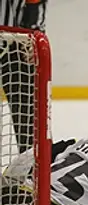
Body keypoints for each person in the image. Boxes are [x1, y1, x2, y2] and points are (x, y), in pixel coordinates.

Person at [0, 0, 48, 152]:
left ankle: (29, 167)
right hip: (13, 38)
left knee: (26, 113)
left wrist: (33, 32)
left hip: (14, 41)